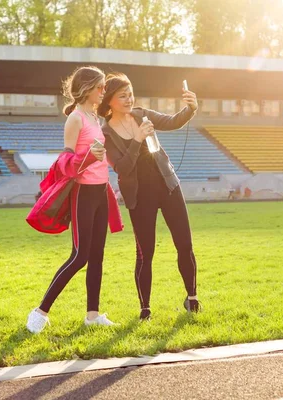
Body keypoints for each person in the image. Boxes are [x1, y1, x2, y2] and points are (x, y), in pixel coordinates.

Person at [98, 72, 200, 321]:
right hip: (139, 197)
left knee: (184, 244)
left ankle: (193, 298)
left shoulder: (142, 114)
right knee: (145, 253)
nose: (129, 99)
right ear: (109, 101)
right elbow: (121, 167)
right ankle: (145, 309)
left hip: (168, 186)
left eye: (130, 93)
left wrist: (191, 109)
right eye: (122, 96)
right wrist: (137, 139)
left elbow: (173, 121)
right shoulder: (106, 133)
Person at [26, 66, 116, 333]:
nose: (103, 91)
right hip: (83, 193)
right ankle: (40, 312)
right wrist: (90, 157)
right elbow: (65, 162)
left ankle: (92, 315)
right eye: (100, 87)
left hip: (101, 191)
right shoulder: (75, 119)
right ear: (87, 88)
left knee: (97, 256)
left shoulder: (95, 117)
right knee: (80, 256)